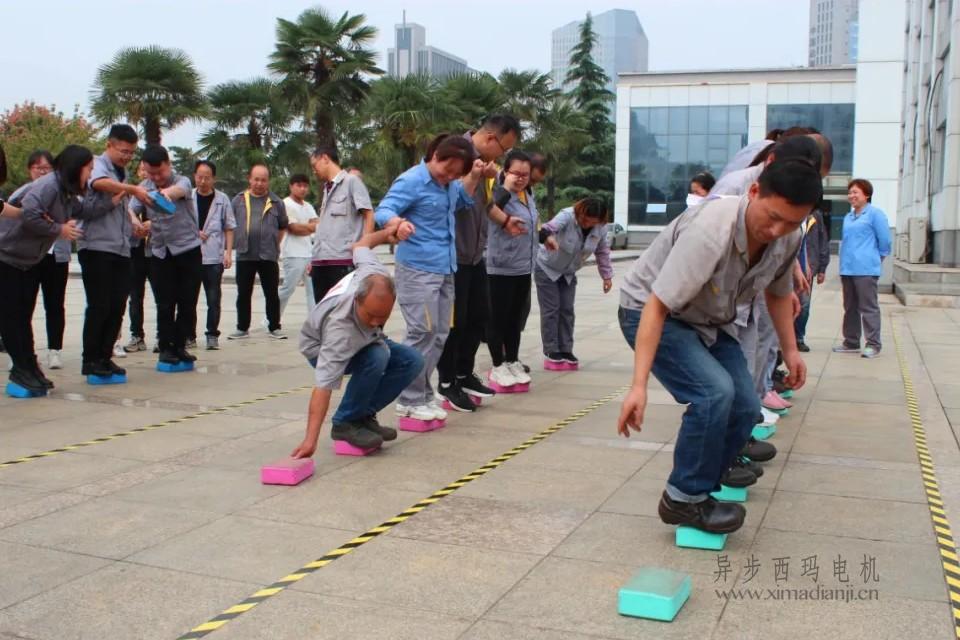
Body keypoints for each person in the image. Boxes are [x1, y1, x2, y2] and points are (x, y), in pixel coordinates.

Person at [616, 158, 822, 534]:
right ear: (754, 192)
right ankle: (684, 500)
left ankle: (711, 472)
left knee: (746, 405)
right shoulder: (711, 230)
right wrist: (638, 386)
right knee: (713, 394)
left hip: (708, 319)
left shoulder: (788, 237)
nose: (777, 231)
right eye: (773, 217)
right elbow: (656, 307)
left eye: (792, 223)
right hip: (650, 311)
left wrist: (791, 350)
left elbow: (778, 293)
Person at [374, 134, 483, 422]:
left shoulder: (449, 184)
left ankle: (422, 394)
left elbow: (463, 199)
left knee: (440, 334)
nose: (450, 177)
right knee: (421, 333)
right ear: (435, 155)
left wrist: (473, 176)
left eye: (456, 174)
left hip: (445, 268)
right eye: (448, 170)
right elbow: (383, 210)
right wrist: (398, 223)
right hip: (418, 269)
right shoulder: (412, 180)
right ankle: (408, 399)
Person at [293, 226, 423, 456]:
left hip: (366, 340)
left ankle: (362, 416)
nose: (375, 322)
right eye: (370, 315)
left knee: (412, 360)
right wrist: (310, 441)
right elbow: (323, 386)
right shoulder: (340, 330)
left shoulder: (374, 271)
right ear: (357, 300)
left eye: (382, 317)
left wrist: (389, 231)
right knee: (377, 356)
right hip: (319, 347)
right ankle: (345, 423)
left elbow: (361, 244)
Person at [436, 114, 523, 409]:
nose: (503, 155)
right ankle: (446, 382)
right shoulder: (455, 155)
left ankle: (464, 373)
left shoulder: (485, 165)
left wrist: (506, 220)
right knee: (455, 322)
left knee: (478, 317)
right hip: (453, 257)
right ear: (489, 138)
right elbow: (452, 199)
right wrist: (475, 175)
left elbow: (486, 206)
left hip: (475, 256)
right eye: (504, 148)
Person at [0, 145, 100, 391]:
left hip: (24, 260)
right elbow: (30, 214)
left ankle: (29, 366)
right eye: (89, 169)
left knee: (21, 317)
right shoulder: (48, 186)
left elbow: (83, 210)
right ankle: (21, 369)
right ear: (76, 168)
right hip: (7, 257)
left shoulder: (64, 190)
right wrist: (59, 229)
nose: (90, 174)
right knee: (13, 317)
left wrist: (114, 197)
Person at [82, 124, 152, 378]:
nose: (127, 157)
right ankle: (91, 359)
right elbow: (99, 184)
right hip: (97, 247)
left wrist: (133, 224)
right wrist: (132, 189)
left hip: (121, 248)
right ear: (109, 145)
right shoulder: (97, 165)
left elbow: (121, 207)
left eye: (131, 153)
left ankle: (105, 356)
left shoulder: (121, 173)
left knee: (117, 305)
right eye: (123, 151)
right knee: (99, 305)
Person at [130, 145, 202, 366]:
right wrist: (135, 223)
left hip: (188, 249)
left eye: (159, 172)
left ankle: (180, 346)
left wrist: (164, 194)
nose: (156, 177)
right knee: (165, 302)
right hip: (161, 253)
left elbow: (178, 191)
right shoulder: (144, 187)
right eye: (150, 173)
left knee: (187, 301)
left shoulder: (182, 181)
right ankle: (165, 348)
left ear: (168, 165)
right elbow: (130, 208)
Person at [8, 151, 70, 370]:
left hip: (56, 256)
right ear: (30, 170)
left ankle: (55, 350)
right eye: (38, 168)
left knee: (55, 304)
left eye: (47, 169)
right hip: (29, 257)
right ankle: (24, 354)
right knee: (24, 305)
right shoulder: (25, 193)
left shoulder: (61, 194)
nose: (43, 172)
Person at [535, 197, 614, 366]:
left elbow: (602, 251)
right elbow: (547, 228)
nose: (587, 224)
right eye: (584, 220)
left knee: (567, 310)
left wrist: (606, 276)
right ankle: (551, 349)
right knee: (551, 309)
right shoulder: (567, 216)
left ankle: (566, 349)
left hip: (569, 273)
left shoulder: (601, 228)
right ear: (580, 212)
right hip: (547, 268)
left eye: (592, 222)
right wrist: (548, 237)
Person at [484, 151, 538, 392]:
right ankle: (497, 364)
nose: (521, 178)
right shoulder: (498, 193)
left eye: (525, 174)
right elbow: (489, 209)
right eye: (516, 173)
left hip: (523, 267)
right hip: (500, 267)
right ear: (505, 171)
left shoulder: (528, 194)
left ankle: (512, 360)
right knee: (498, 318)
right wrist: (505, 187)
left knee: (515, 319)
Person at [229, 164, 289, 340]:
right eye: (256, 179)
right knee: (243, 293)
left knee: (271, 293)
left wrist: (273, 243)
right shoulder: (238, 200)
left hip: (268, 254)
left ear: (268, 181)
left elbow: (282, 227)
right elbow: (229, 225)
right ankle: (242, 328)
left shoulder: (277, 202)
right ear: (249, 179)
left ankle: (274, 327)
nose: (259, 183)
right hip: (244, 254)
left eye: (263, 180)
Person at [833, 178, 891, 358]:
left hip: (866, 269)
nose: (851, 195)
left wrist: (875, 259)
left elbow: (885, 242)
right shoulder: (848, 217)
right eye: (850, 192)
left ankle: (873, 344)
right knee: (850, 307)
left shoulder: (875, 214)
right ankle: (851, 342)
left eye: (855, 192)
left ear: (866, 195)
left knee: (868, 308)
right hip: (847, 269)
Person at [309, 147, 373, 302]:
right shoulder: (327, 188)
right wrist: (314, 258)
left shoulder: (351, 182)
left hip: (342, 262)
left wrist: (363, 251)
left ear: (325, 158)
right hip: (320, 263)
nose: (313, 170)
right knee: (322, 311)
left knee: (343, 310)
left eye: (314, 165)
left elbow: (369, 215)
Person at [191, 160, 235, 350]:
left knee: (214, 298)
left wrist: (228, 253)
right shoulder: (187, 197)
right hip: (190, 256)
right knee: (188, 299)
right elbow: (179, 222)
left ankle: (212, 335)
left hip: (213, 257)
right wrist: (194, 232)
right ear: (194, 176)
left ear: (213, 179)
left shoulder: (222, 199)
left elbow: (229, 227)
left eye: (207, 178)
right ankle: (189, 336)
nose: (203, 181)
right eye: (200, 177)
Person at [123, 161, 155, 354]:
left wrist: (153, 223)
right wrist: (135, 222)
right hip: (136, 249)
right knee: (135, 295)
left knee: (163, 295)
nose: (146, 173)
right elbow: (129, 211)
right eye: (143, 169)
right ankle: (137, 335)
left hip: (156, 249)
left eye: (149, 169)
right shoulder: (138, 190)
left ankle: (163, 336)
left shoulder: (170, 186)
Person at [277, 174, 318, 317]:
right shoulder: (285, 204)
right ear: (291, 186)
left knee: (313, 290)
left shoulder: (308, 206)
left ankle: (314, 321)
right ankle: (271, 319)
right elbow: (294, 229)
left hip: (309, 253)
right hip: (293, 254)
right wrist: (311, 227)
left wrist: (307, 227)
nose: (302, 189)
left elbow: (318, 224)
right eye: (299, 185)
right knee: (287, 289)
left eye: (305, 186)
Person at [794, 201, 830, 352]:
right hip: (787, 269)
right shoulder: (790, 213)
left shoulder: (815, 217)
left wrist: (822, 268)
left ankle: (798, 337)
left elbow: (822, 241)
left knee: (804, 305)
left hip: (807, 270)